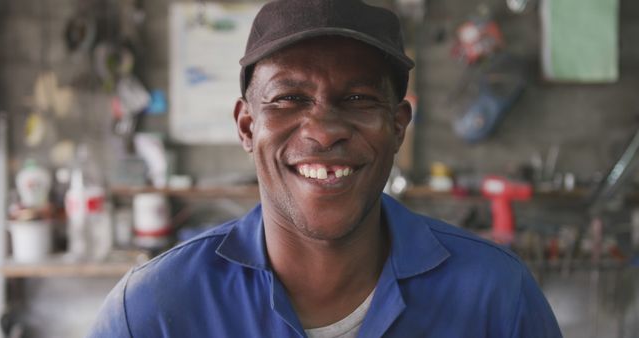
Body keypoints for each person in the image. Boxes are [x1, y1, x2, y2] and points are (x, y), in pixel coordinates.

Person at [88, 0, 562, 337]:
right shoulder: (154, 311)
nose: (323, 129)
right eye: (289, 98)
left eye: (357, 98)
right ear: (247, 126)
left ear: (398, 127)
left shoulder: (496, 297)